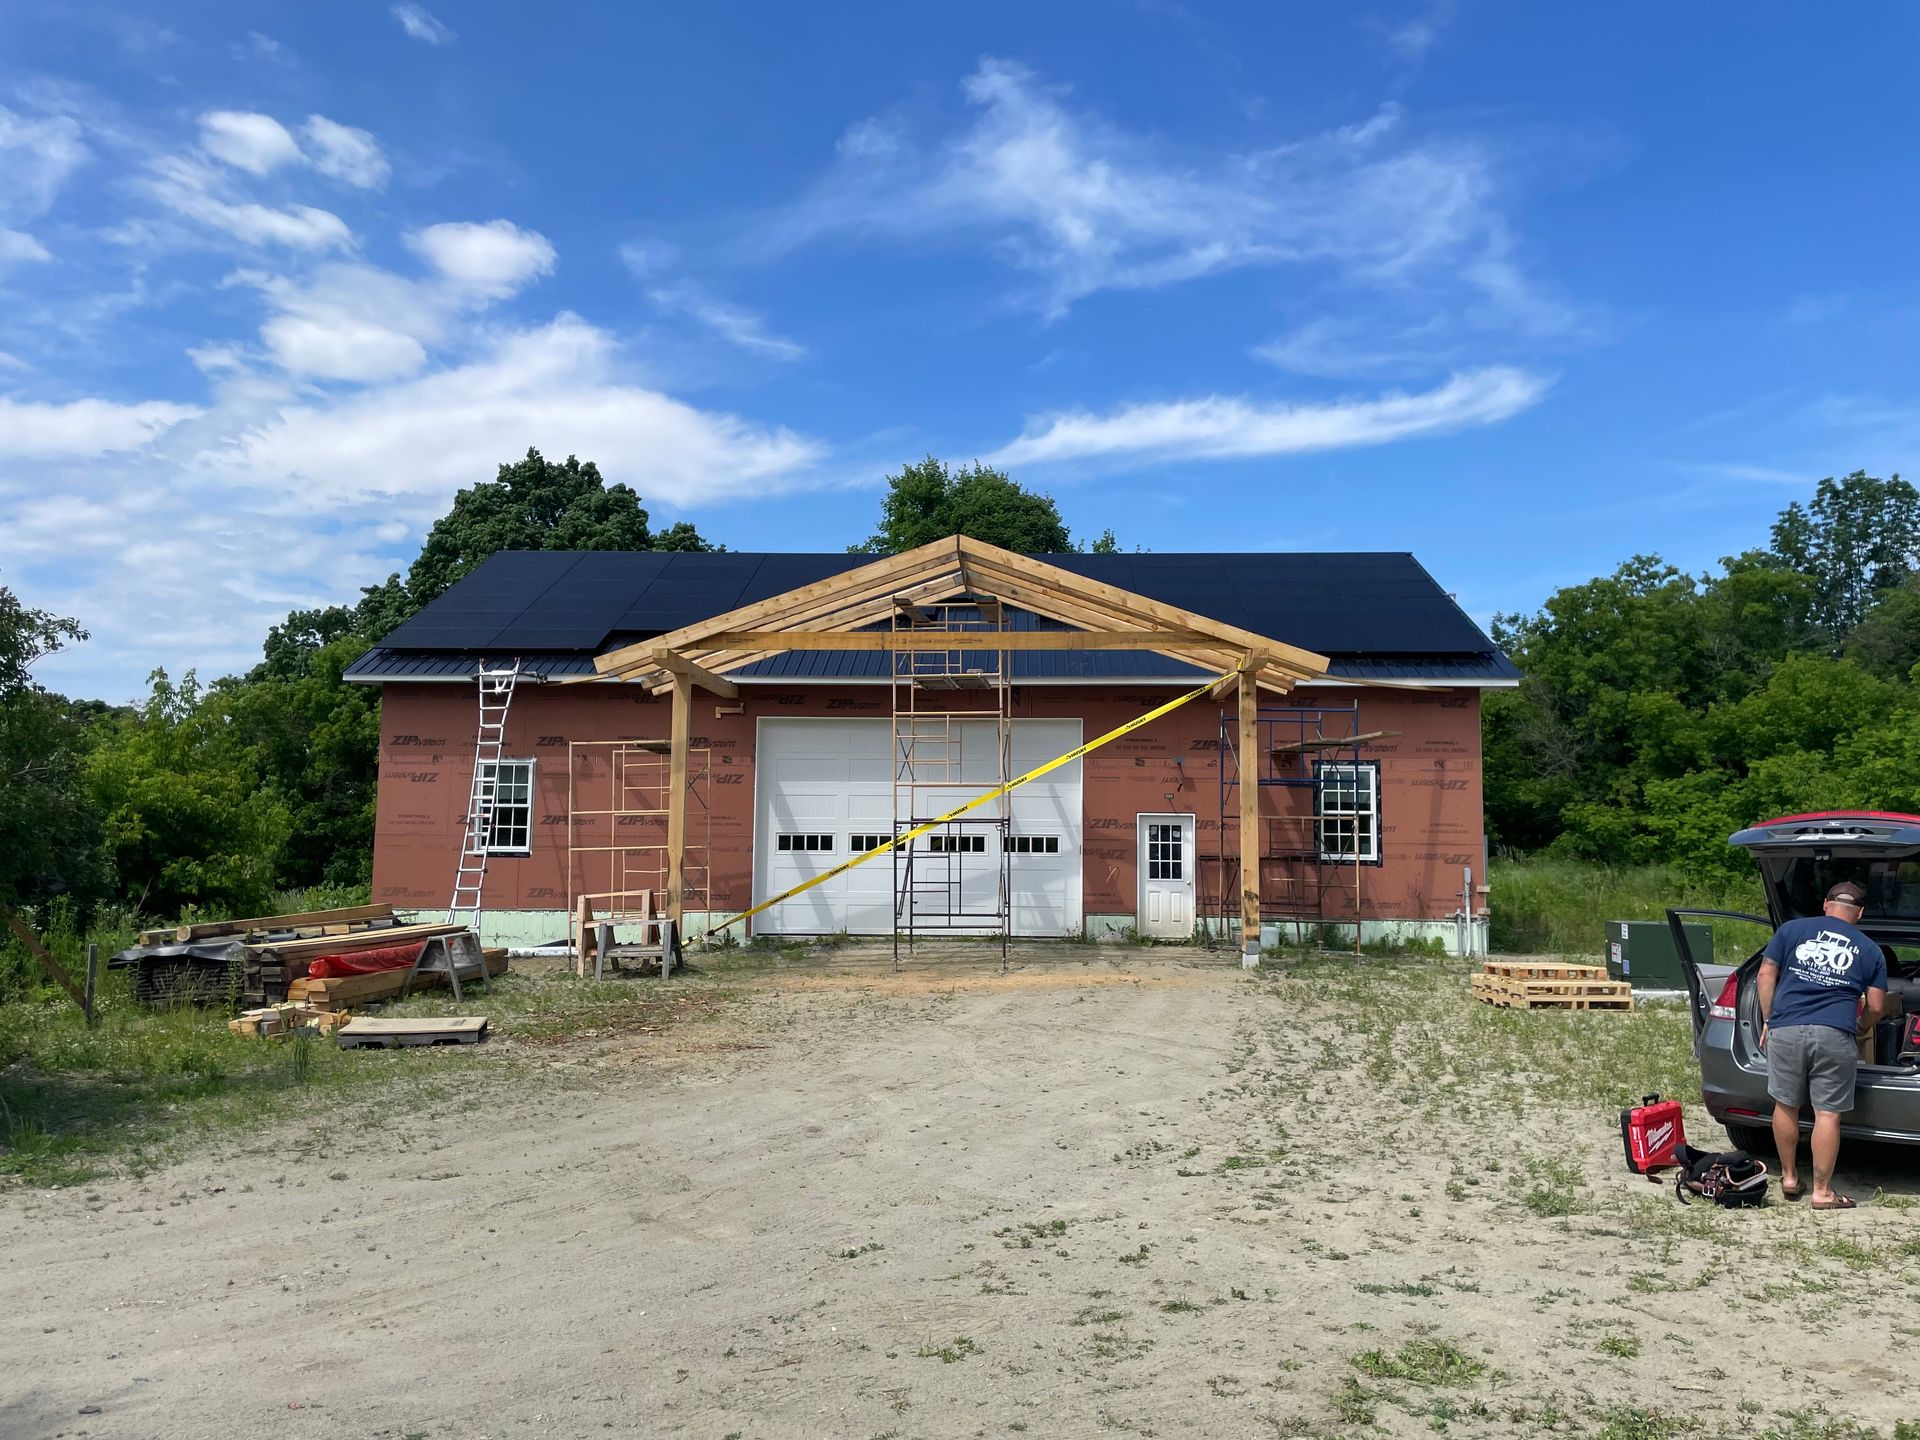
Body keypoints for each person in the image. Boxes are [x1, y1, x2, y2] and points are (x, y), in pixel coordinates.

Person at [1758, 880, 1889, 1209]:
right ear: (1860, 912)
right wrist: (1861, 1028)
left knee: (1785, 1105)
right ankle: (1822, 1192)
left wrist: (1768, 1019)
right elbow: (1876, 1005)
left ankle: (1788, 1178)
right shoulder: (1871, 950)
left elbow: (1765, 974)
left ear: (1826, 905)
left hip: (1786, 1029)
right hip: (1834, 1033)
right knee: (1827, 1114)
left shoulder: (1791, 930)